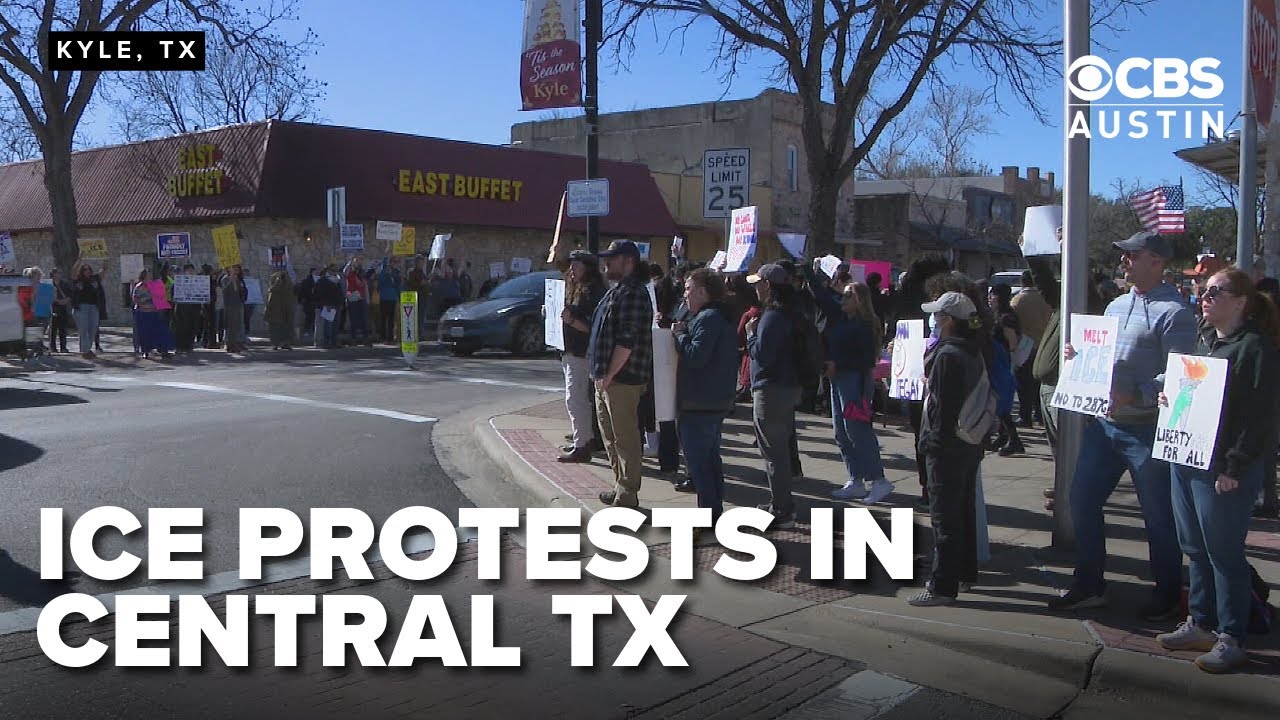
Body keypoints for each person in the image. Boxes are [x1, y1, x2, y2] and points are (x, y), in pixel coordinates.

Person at [1049, 231, 1197, 620]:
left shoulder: (1176, 312)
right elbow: (1104, 359)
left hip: (1147, 430)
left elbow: (1180, 375)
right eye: (1124, 255)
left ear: (1156, 261)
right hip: (1105, 425)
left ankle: (1166, 592)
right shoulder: (1115, 306)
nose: (1124, 261)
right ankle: (1089, 584)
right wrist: (1081, 358)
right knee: (1081, 500)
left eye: (1133, 255)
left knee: (1158, 516)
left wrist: (1137, 395)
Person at [1155, 267, 1280, 673]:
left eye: (1216, 291)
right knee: (1194, 546)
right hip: (1188, 457)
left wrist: (1236, 466)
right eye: (1203, 291)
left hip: (1222, 468)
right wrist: (1169, 397)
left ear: (1241, 301)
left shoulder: (1256, 349)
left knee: (1223, 553)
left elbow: (1259, 418)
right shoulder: (1206, 341)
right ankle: (1201, 621)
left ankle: (1231, 635)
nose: (1205, 297)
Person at [909, 291, 987, 607]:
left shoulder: (948, 356)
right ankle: (965, 573)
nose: (935, 321)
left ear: (950, 320)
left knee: (944, 518)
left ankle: (942, 586)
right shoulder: (972, 351)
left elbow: (942, 409)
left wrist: (931, 445)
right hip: (969, 441)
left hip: (947, 445)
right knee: (963, 511)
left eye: (939, 316)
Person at [803, 260, 891, 504]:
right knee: (841, 432)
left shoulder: (864, 325)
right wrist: (808, 270)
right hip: (838, 379)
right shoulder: (841, 318)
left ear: (859, 301)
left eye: (849, 296)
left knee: (858, 430)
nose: (844, 299)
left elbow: (865, 360)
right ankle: (856, 479)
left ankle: (879, 480)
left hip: (854, 379)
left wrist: (837, 364)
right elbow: (821, 296)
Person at [588, 241, 654, 508]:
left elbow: (626, 342)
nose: (605, 264)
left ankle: (628, 493)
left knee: (625, 438)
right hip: (607, 378)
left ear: (628, 261)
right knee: (610, 437)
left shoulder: (634, 294)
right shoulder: (617, 292)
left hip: (623, 380)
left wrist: (609, 374)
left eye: (611, 258)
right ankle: (619, 486)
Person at [671, 269, 738, 522]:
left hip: (700, 402)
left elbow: (697, 356)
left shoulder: (708, 318)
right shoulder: (715, 316)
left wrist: (680, 335)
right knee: (709, 462)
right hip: (711, 401)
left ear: (702, 291)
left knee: (699, 465)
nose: (685, 294)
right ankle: (714, 514)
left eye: (688, 289)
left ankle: (709, 517)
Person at [746, 263, 802, 529]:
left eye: (758, 283)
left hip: (771, 389)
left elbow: (763, 355)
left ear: (768, 285)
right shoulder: (789, 312)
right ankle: (781, 504)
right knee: (778, 449)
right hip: (787, 386)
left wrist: (750, 336)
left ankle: (782, 508)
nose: (755, 288)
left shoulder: (772, 316)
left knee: (773, 451)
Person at [557, 251, 607, 463]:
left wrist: (570, 321)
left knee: (576, 399)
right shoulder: (576, 289)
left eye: (576, 266)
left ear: (587, 268)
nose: (571, 270)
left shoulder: (592, 292)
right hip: (571, 349)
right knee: (577, 398)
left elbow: (591, 326)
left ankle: (583, 445)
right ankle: (583, 439)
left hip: (581, 352)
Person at [1011, 269, 1050, 427]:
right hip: (1042, 344)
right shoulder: (1044, 299)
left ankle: (1025, 415)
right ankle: (1039, 414)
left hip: (1024, 347)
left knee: (1023, 384)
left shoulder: (1017, 300)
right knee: (1038, 384)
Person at [131, 269, 175, 360]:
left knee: (162, 332)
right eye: (148, 275)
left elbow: (161, 296)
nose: (150, 276)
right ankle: (145, 351)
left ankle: (163, 350)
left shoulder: (155, 284)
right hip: (143, 314)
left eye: (151, 274)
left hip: (155, 313)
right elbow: (135, 299)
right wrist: (147, 299)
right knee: (145, 334)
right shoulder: (139, 286)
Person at [265, 271, 297, 350]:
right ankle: (275, 343)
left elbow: (291, 293)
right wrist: (278, 279)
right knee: (275, 327)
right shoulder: (274, 283)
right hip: (275, 309)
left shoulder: (288, 283)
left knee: (286, 327)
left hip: (286, 308)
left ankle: (285, 342)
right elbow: (273, 289)